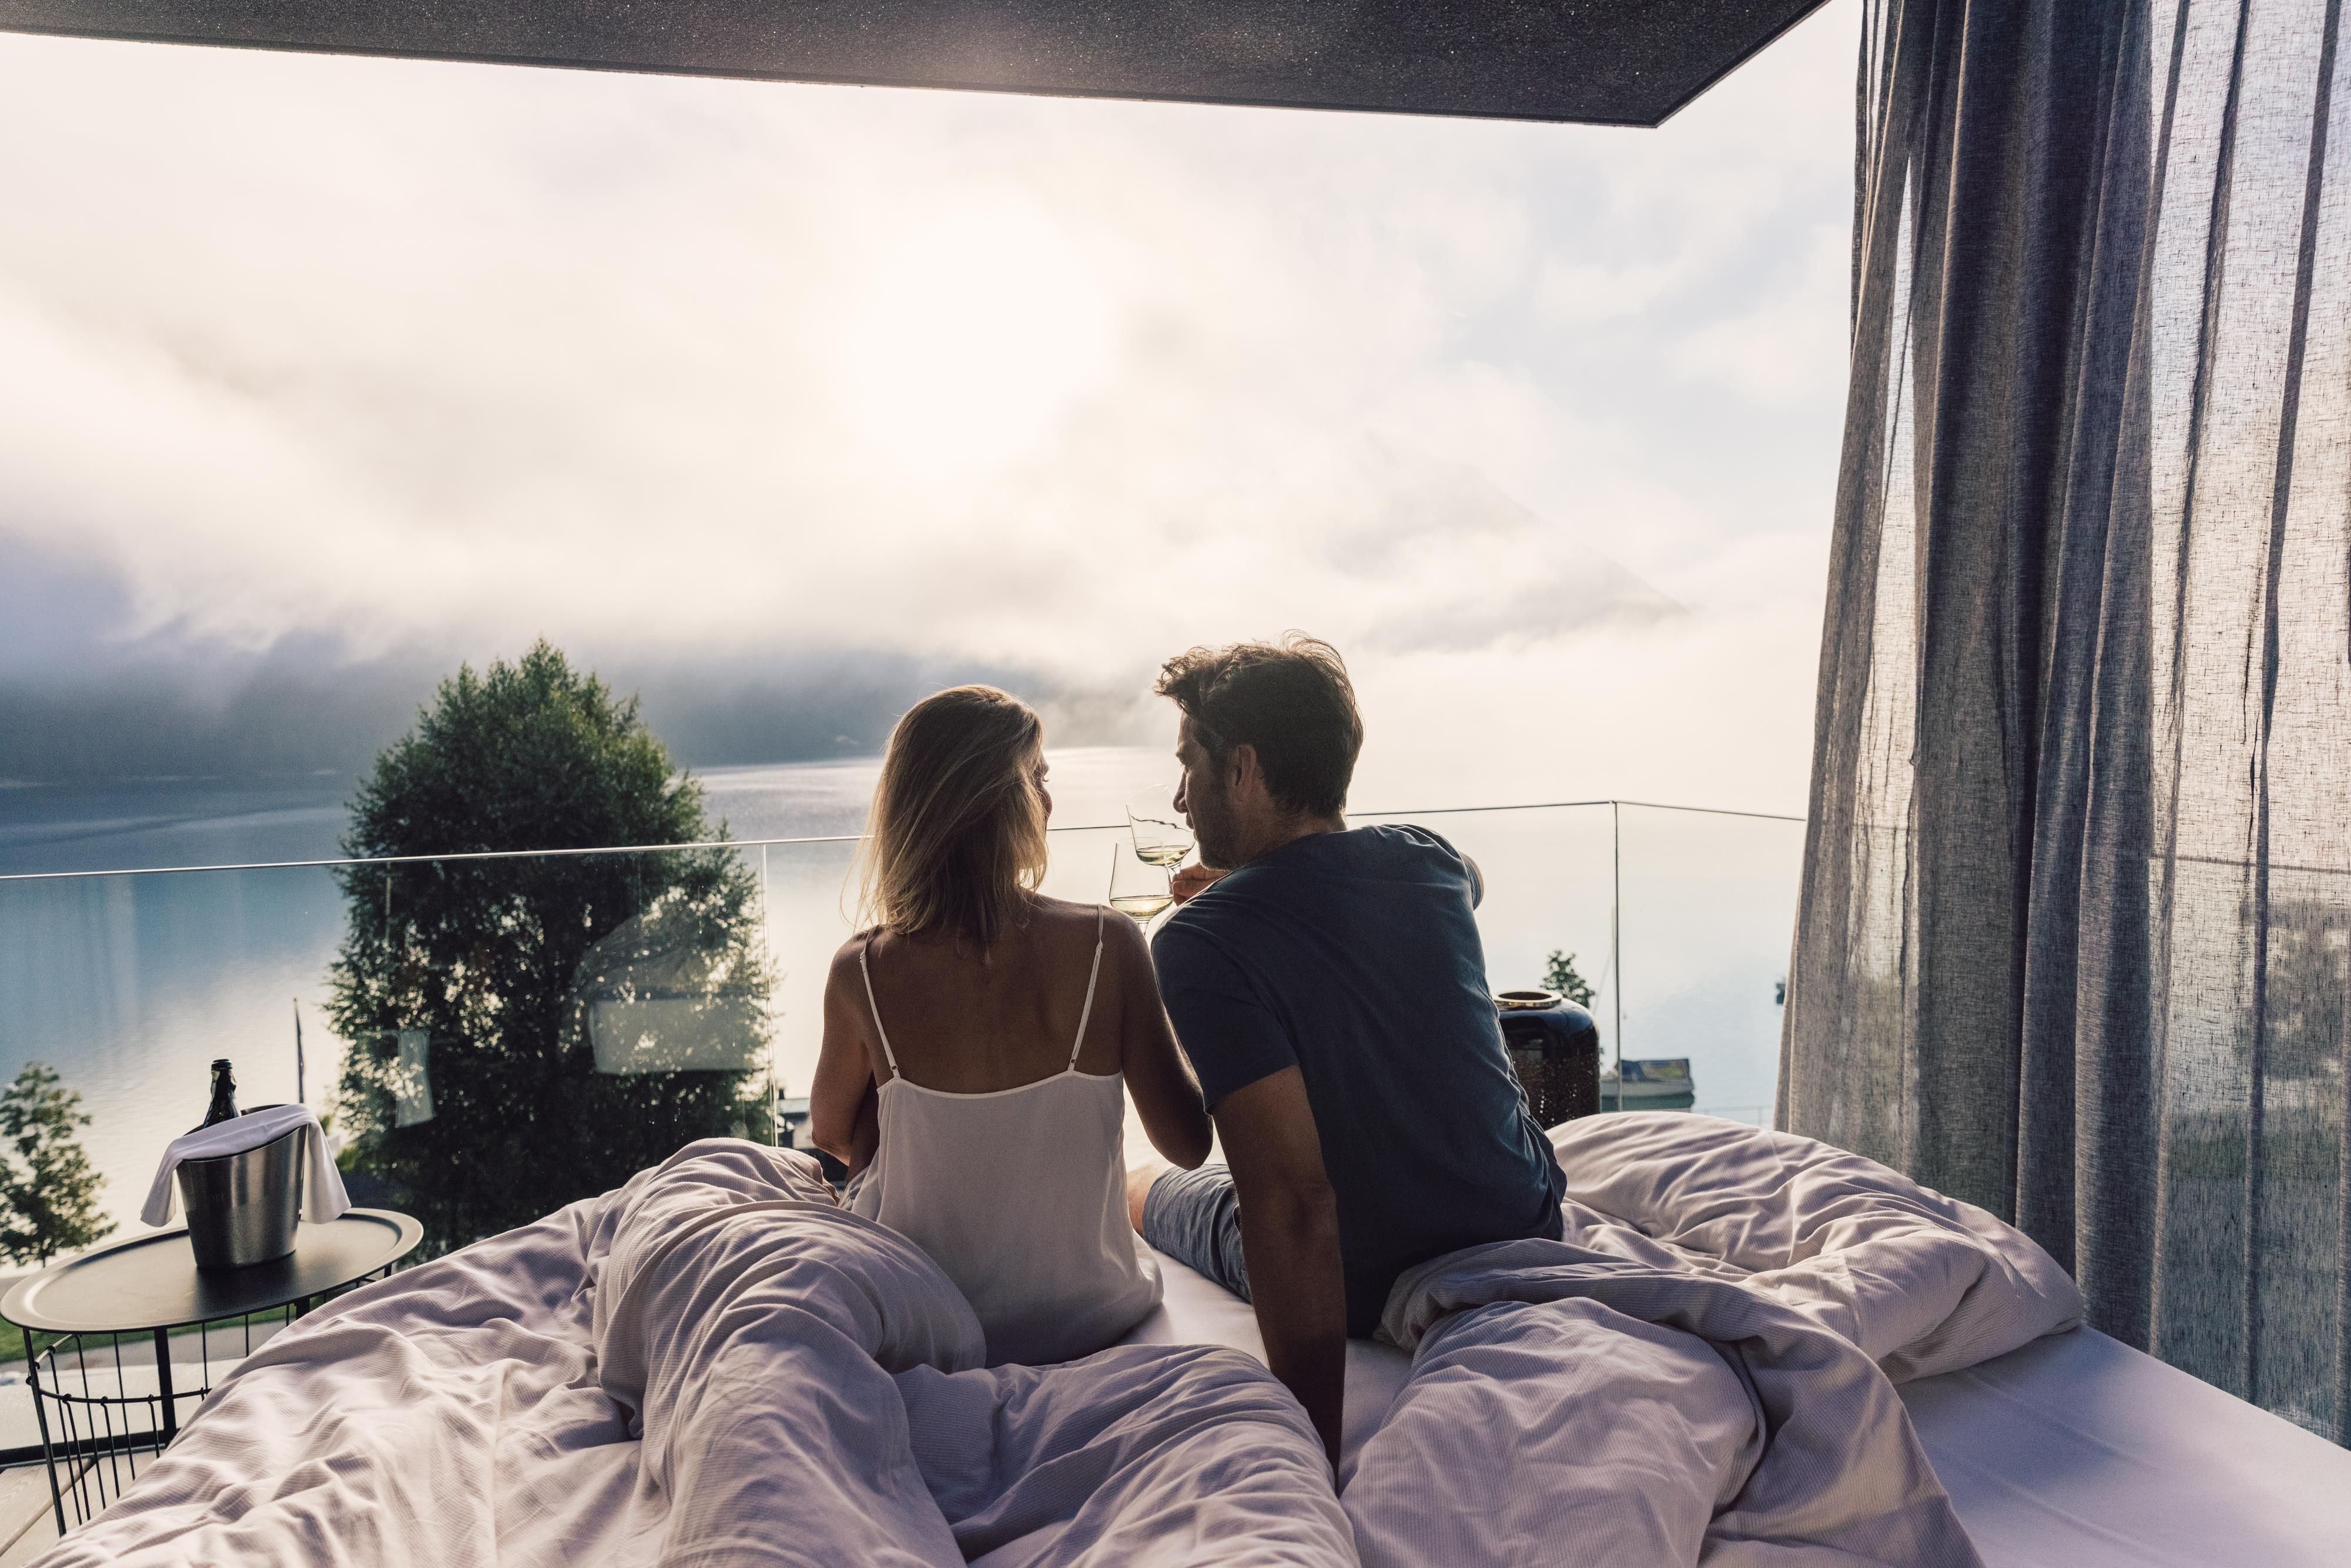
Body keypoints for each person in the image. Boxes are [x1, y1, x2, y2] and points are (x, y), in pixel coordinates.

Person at [1127, 635, 1568, 1468]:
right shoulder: (1430, 863)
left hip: (1365, 1275)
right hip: (1520, 1214)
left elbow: (1293, 1201)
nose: (1180, 801)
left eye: (1188, 766)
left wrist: (1312, 1460)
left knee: (1143, 1186)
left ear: (1242, 771)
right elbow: (1467, 873)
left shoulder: (1201, 944)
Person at [810, 685, 1213, 1366]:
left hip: (932, 1325)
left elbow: (829, 1134)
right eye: (1039, 778)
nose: (1049, 801)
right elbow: (1187, 1142)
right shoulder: (1108, 946)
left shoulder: (864, 971)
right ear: (1003, 799)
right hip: (1094, 1314)